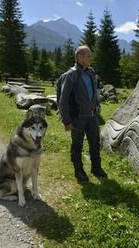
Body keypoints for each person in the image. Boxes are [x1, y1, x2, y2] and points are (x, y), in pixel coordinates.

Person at [59, 45, 107, 182]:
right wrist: (66, 121)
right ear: (79, 57)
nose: (90, 58)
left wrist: (97, 104)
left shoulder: (91, 72)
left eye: (90, 55)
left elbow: (94, 92)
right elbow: (63, 100)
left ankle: (96, 168)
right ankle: (78, 171)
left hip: (92, 116)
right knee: (77, 145)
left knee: (95, 143)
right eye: (88, 55)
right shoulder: (71, 75)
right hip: (77, 118)